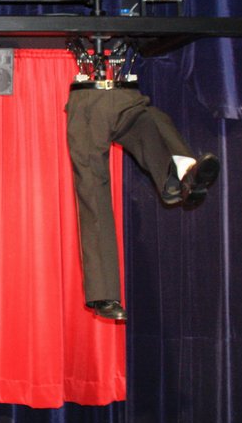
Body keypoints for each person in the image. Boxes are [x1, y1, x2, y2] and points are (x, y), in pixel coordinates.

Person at [65, 37, 219, 322]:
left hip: (128, 98)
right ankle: (104, 294)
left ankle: (184, 175)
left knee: (153, 121)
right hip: (87, 104)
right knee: (93, 190)